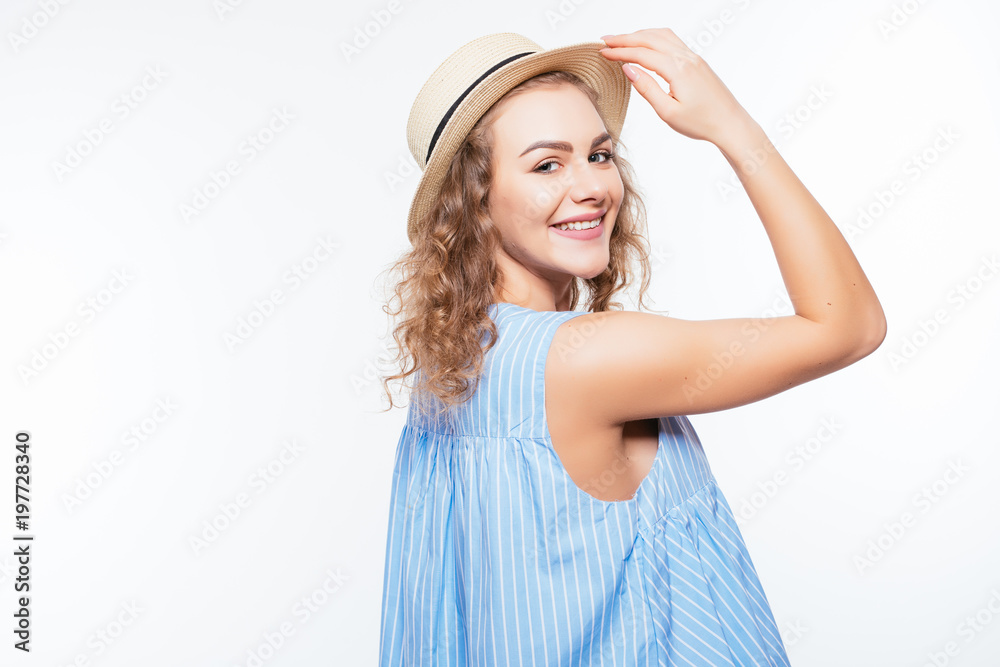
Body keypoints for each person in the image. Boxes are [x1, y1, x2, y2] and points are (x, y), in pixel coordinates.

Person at [375, 28, 886, 665]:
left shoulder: (452, 364)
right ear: (475, 202)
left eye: (600, 154)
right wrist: (733, 127)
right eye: (546, 164)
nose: (593, 185)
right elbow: (849, 326)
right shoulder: (585, 358)